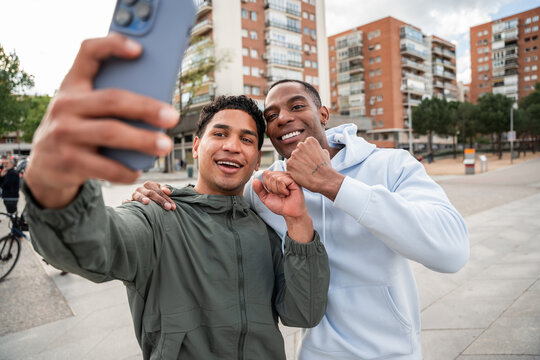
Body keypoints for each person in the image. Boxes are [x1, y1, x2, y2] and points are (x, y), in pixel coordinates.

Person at [22, 35, 329, 360]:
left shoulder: (267, 230)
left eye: (246, 139)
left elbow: (302, 314)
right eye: (220, 134)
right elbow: (88, 246)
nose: (232, 146)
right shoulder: (156, 216)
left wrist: (297, 221)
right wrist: (57, 179)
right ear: (196, 146)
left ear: (255, 159)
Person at [134, 79, 470, 359]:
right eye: (272, 114)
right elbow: (214, 194)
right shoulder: (264, 188)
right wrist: (160, 192)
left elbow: (451, 252)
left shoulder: (391, 165)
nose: (283, 118)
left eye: (296, 106)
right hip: (314, 353)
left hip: (393, 352)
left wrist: (334, 184)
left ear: (323, 114)